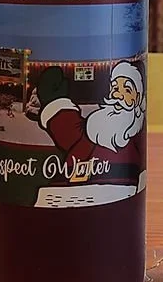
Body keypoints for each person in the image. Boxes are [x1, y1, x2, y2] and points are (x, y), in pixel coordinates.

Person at [36, 61, 146, 200]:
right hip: (63, 196)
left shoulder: (134, 135)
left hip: (119, 200)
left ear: (137, 99)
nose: (118, 95)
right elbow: (69, 130)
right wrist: (54, 100)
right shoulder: (92, 130)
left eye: (127, 90)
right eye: (115, 88)